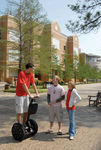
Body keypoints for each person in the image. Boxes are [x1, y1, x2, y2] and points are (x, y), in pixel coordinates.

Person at [15, 63, 40, 128]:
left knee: (26, 111)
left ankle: (24, 124)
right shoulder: (22, 74)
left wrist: (37, 93)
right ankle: (19, 126)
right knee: (19, 111)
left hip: (25, 95)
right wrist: (30, 94)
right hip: (19, 95)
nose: (33, 69)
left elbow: (33, 84)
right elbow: (24, 85)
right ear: (29, 68)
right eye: (32, 68)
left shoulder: (31, 74)